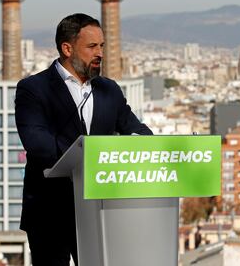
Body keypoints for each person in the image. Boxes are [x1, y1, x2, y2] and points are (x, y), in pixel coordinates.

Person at [15, 13, 153, 265]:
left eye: (101, 46)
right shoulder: (34, 89)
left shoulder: (108, 89)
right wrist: (95, 156)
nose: (100, 53)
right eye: (92, 46)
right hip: (50, 212)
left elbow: (139, 133)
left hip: (99, 211)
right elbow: (38, 144)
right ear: (67, 48)